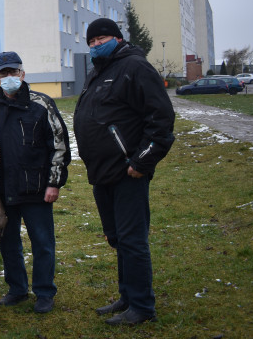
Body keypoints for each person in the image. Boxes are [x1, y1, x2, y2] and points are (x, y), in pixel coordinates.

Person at [74, 18, 175, 325]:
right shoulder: (99, 73)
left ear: (117, 38)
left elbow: (161, 119)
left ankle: (142, 307)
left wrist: (141, 162)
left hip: (127, 172)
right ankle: (127, 296)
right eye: (90, 42)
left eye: (101, 39)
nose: (95, 45)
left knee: (132, 240)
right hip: (101, 172)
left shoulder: (135, 67)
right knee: (117, 238)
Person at [0, 51, 71, 314]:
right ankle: (17, 289)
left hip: (37, 189)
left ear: (22, 74)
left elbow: (59, 146)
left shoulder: (41, 104)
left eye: (13, 72)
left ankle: (44, 291)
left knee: (42, 242)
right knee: (9, 243)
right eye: (4, 73)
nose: (9, 77)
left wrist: (54, 183)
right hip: (5, 190)